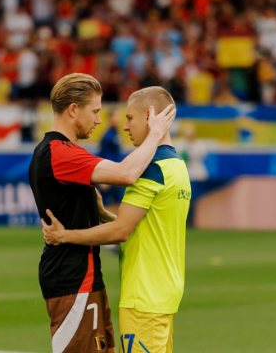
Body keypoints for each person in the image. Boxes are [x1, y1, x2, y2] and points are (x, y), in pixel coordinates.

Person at [28, 74, 176, 353]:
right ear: (73, 110)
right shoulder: (60, 153)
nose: (99, 119)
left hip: (82, 277)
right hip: (72, 280)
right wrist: (156, 134)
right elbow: (127, 173)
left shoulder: (59, 152)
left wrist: (97, 212)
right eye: (95, 111)